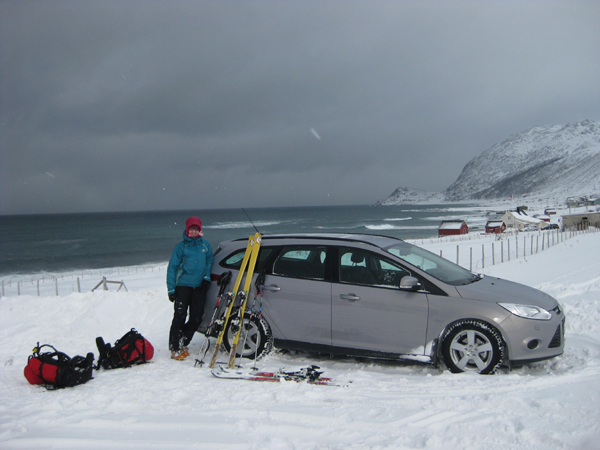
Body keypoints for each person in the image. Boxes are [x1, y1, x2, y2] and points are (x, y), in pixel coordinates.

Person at [166, 216, 213, 360]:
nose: (194, 232)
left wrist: (206, 278)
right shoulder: (181, 247)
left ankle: (183, 342)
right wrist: (171, 289)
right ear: (187, 230)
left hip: (199, 287)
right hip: (183, 286)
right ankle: (175, 347)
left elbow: (209, 262)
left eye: (196, 229)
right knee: (179, 317)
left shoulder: (205, 246)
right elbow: (172, 268)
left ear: (200, 231)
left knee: (196, 318)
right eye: (191, 229)